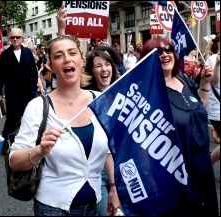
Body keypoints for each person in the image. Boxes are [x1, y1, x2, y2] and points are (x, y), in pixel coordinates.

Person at [9, 34, 120, 216]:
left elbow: (109, 150)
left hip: (94, 206)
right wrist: (40, 150)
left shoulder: (101, 102)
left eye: (72, 53)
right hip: (52, 209)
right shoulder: (38, 106)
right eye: (59, 56)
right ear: (51, 66)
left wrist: (114, 188)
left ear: (82, 61)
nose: (67, 59)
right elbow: (14, 162)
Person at [139, 37, 219, 216]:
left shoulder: (183, 80)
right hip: (174, 174)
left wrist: (205, 83)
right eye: (157, 52)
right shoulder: (147, 92)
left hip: (201, 166)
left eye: (168, 49)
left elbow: (199, 107)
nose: (165, 54)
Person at [84, 49, 121, 216]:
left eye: (107, 64)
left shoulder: (121, 94)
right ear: (91, 71)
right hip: (97, 173)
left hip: (122, 171)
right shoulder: (85, 100)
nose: (104, 69)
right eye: (98, 66)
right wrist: (113, 186)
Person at [0, 28, 38, 154]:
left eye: (17, 37)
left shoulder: (28, 52)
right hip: (12, 93)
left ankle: (28, 142)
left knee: (29, 118)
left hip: (28, 92)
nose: (15, 39)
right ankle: (4, 142)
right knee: (13, 118)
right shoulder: (5, 55)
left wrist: (34, 87)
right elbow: (0, 75)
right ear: (9, 39)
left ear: (22, 39)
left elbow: (33, 72)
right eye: (12, 37)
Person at [205, 33, 220, 165]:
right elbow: (213, 83)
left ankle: (207, 165)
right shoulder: (212, 59)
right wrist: (218, 65)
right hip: (217, 109)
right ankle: (207, 165)